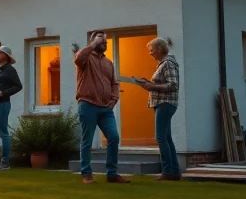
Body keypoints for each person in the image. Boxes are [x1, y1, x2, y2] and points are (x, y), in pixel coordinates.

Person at [74, 31, 130, 184]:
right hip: (88, 104)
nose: (104, 42)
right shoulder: (85, 58)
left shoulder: (108, 63)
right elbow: (78, 58)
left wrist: (114, 99)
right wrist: (92, 45)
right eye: (101, 39)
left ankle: (112, 173)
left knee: (114, 137)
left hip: (106, 108)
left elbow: (114, 83)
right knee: (87, 140)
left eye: (105, 40)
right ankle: (86, 174)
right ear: (92, 41)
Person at [137, 37, 180, 181]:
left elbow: (173, 84)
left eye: (151, 50)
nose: (150, 53)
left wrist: (152, 86)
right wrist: (148, 83)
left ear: (160, 49)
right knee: (166, 138)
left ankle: (168, 172)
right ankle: (174, 172)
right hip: (163, 103)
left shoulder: (167, 63)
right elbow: (164, 83)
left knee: (161, 137)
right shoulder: (163, 64)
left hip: (165, 103)